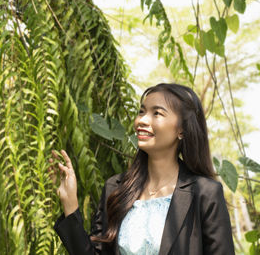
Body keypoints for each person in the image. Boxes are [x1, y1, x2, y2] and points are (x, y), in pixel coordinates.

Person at [49, 83, 235, 255]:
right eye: (141, 112)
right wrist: (70, 205)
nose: (142, 121)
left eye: (157, 114)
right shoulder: (116, 188)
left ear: (182, 130)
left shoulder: (205, 193)